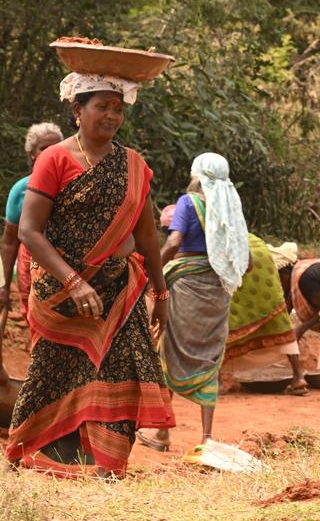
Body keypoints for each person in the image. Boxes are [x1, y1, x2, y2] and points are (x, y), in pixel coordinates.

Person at [7, 70, 173, 476]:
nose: (112, 116)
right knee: (51, 372)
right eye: (102, 107)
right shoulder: (55, 159)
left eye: (118, 109)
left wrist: (162, 292)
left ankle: (107, 467)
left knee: (128, 369)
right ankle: (25, 454)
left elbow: (147, 236)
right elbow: (29, 230)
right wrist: (73, 280)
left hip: (119, 289)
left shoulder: (133, 165)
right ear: (78, 110)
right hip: (61, 294)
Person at [141, 153, 249, 451]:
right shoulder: (230, 207)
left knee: (168, 350)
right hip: (217, 291)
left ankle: (162, 433)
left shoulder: (189, 202)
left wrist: (151, 274)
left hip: (186, 286)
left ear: (197, 174)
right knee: (209, 357)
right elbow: (244, 258)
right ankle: (207, 439)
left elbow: (174, 242)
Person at [221, 236, 307, 395]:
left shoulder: (208, 227)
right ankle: (298, 376)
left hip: (244, 265)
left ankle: (217, 381)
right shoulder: (258, 245)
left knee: (224, 323)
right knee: (281, 324)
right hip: (261, 273)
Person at [1, 123, 64, 333]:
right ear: (32, 154)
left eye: (58, 146)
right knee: (38, 327)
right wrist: (3, 285)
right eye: (44, 148)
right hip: (31, 270)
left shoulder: (75, 186)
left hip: (68, 270)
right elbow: (10, 241)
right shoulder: (21, 190)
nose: (53, 152)